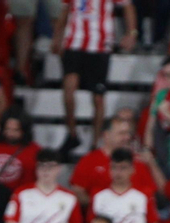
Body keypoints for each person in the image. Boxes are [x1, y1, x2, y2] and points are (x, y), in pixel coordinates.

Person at [53, 0, 135, 153]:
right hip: (73, 42)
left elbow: (127, 5)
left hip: (100, 45)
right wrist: (57, 37)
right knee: (69, 87)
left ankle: (95, 144)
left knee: (98, 97)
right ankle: (72, 135)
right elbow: (65, 9)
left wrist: (131, 33)